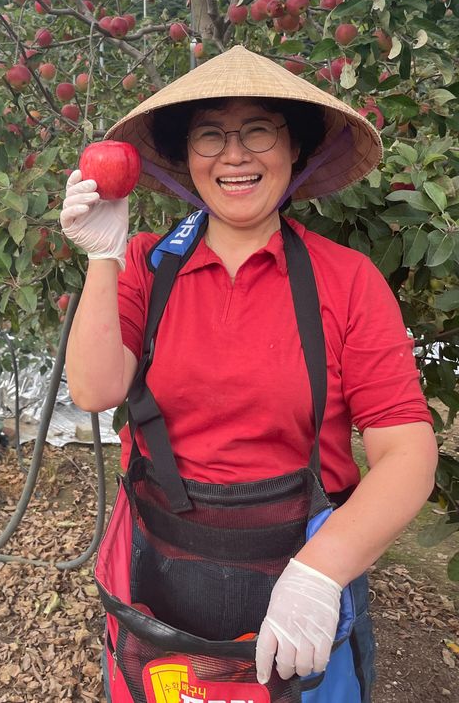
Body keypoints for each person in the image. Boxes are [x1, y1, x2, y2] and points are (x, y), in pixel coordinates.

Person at [60, 46, 437, 703]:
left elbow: (407, 451)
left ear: (295, 149)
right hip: (163, 581)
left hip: (299, 572)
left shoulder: (347, 281)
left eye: (259, 129)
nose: (234, 155)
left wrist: (321, 572)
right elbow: (95, 390)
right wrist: (104, 257)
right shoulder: (149, 266)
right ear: (186, 156)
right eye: (211, 133)